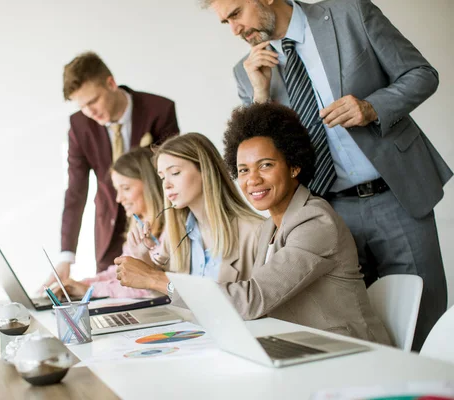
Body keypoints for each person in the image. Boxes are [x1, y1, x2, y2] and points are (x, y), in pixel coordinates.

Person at [203, 0, 451, 350]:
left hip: (396, 195)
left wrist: (372, 107)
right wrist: (259, 92)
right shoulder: (249, 70)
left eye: (236, 14)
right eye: (225, 22)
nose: (234, 29)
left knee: (424, 321)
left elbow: (422, 74)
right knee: (347, 322)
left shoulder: (351, 14)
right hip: (328, 210)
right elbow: (255, 148)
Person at [221, 102, 391, 344]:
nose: (253, 179)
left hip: (350, 353)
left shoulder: (315, 221)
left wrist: (163, 283)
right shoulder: (267, 228)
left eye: (265, 165)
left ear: (294, 166)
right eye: (244, 170)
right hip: (302, 347)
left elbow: (253, 299)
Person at [42, 51, 179, 289]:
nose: (90, 112)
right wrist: (67, 256)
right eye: (82, 106)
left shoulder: (159, 110)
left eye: (93, 101)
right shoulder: (80, 125)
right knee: (110, 290)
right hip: (109, 228)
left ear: (110, 83)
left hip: (156, 226)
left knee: (150, 291)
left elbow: (174, 173)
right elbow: (76, 189)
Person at [113, 133, 265, 299]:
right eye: (162, 177)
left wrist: (152, 277)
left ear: (205, 171)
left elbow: (253, 302)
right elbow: (168, 295)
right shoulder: (176, 236)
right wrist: (143, 257)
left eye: (175, 173)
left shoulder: (256, 233)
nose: (167, 185)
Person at [50, 147, 165, 300]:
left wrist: (89, 289)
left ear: (150, 185)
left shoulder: (167, 231)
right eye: (117, 190)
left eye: (126, 188)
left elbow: (142, 288)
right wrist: (78, 284)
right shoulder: (139, 226)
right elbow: (119, 272)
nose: (119, 199)